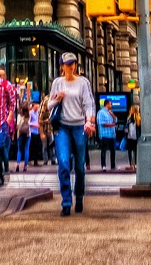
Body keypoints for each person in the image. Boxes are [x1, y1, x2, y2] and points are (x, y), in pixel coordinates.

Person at [47, 52, 95, 217]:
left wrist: (89, 121)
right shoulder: (57, 83)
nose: (71, 66)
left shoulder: (83, 83)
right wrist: (57, 99)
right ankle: (66, 202)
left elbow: (89, 104)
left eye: (73, 63)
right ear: (62, 66)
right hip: (62, 128)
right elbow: (48, 105)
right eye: (68, 64)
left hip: (79, 127)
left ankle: (79, 196)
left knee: (80, 166)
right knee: (64, 164)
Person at [96, 98, 117, 170]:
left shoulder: (110, 112)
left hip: (112, 135)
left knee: (113, 151)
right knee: (104, 150)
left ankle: (113, 165)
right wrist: (112, 125)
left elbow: (115, 120)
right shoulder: (101, 112)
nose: (111, 105)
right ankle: (103, 165)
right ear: (107, 104)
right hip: (105, 134)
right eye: (111, 104)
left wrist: (113, 115)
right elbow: (102, 123)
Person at [15, 104, 30, 172]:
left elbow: (17, 126)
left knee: (19, 150)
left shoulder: (19, 116)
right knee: (26, 149)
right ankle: (25, 166)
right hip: (27, 134)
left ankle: (18, 164)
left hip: (20, 134)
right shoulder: (29, 116)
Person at [124, 104, 140, 170]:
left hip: (130, 136)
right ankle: (135, 164)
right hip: (134, 136)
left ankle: (131, 164)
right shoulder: (137, 118)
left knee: (130, 151)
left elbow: (126, 128)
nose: (130, 111)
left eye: (131, 110)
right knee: (135, 151)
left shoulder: (130, 118)